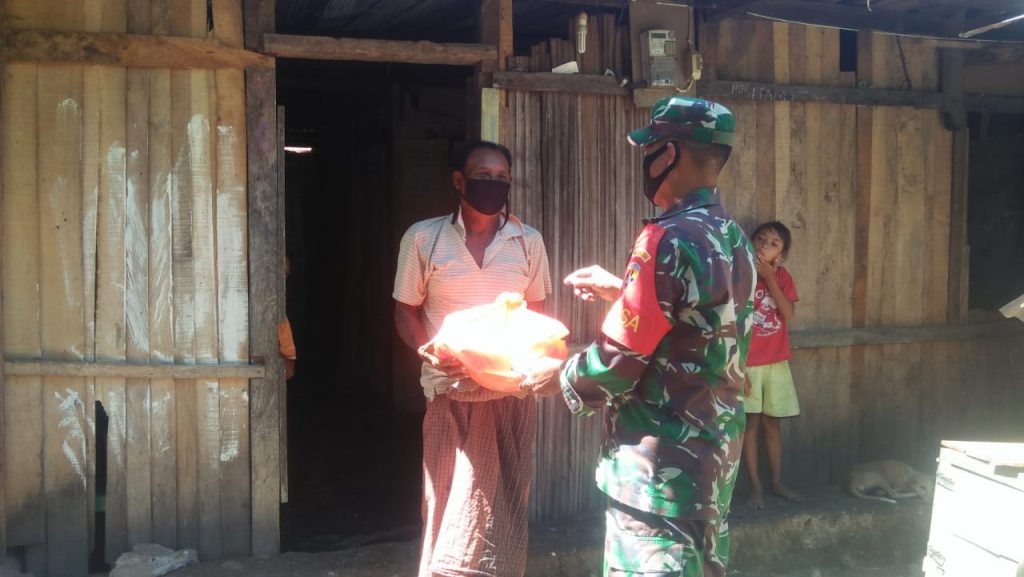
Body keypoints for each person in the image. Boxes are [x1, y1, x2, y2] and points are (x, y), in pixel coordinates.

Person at [523, 96, 755, 577]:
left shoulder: (665, 238)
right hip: (714, 459)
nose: (646, 162)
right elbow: (706, 324)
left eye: (651, 149)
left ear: (669, 153)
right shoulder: (733, 237)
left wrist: (557, 376)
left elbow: (619, 360)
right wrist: (624, 292)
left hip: (658, 469)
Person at [393, 141, 552, 577]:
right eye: (484, 176)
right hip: (449, 391)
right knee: (447, 498)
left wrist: (520, 363)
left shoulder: (528, 242)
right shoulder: (423, 238)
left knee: (505, 499)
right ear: (459, 181)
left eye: (502, 178)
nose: (493, 185)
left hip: (510, 394)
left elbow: (537, 315)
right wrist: (427, 349)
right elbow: (405, 311)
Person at [741, 221, 803, 509]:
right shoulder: (740, 275)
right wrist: (737, 367)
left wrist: (770, 278)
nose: (764, 246)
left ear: (781, 254)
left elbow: (788, 313)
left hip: (776, 363)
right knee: (750, 424)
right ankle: (755, 486)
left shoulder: (783, 277)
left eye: (773, 244)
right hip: (748, 364)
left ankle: (777, 482)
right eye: (760, 240)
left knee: (772, 423)